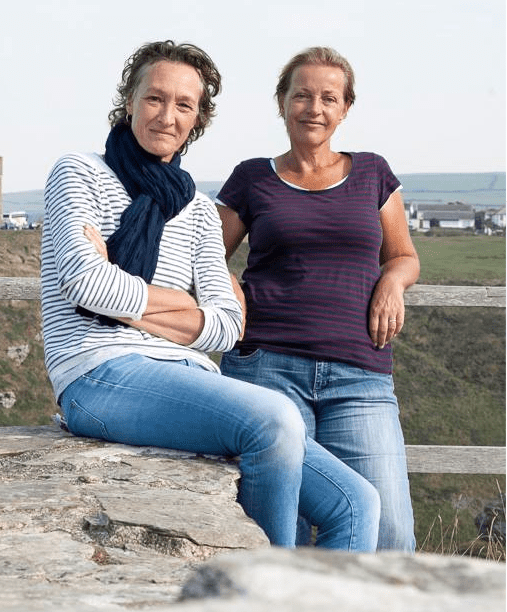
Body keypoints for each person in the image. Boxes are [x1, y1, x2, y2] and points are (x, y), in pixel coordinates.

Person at [40, 40, 380, 550]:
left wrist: (119, 293)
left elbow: (225, 324)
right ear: (129, 101)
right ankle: (261, 598)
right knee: (273, 418)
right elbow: (84, 285)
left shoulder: (198, 209)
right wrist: (178, 306)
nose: (167, 116)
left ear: (198, 119)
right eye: (155, 99)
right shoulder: (79, 172)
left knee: (355, 503)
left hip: (186, 375)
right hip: (97, 373)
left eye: (184, 105)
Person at [216, 46, 419, 551]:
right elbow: (206, 257)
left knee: (390, 532)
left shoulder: (374, 173)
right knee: (282, 531)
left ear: (346, 107)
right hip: (267, 368)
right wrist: (232, 287)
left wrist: (393, 282)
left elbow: (404, 256)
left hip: (361, 375)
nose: (314, 107)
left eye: (329, 97)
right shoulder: (251, 177)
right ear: (281, 102)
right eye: (301, 95)